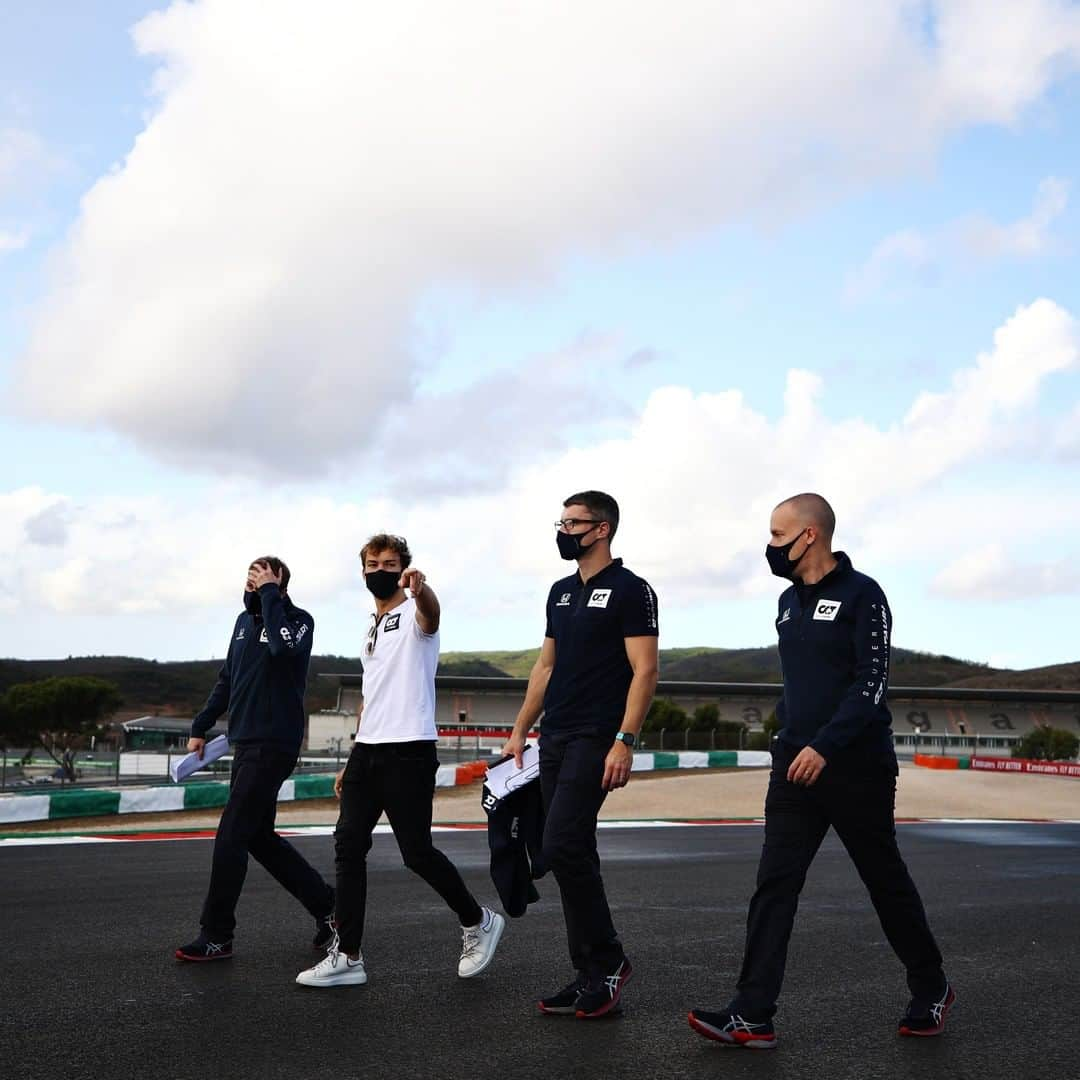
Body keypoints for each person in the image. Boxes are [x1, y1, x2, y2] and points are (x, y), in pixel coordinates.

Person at [688, 494, 953, 1048]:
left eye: (777, 535)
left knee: (885, 883)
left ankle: (931, 988)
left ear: (809, 535)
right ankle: (753, 1013)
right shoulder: (787, 603)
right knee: (774, 885)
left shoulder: (864, 595)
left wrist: (827, 746)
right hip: (794, 765)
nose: (770, 547)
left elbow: (871, 685)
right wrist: (791, 741)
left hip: (856, 767)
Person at [296, 534, 505, 987]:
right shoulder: (370, 627)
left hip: (409, 749)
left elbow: (432, 612)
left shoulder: (413, 612)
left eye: (390, 562)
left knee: (416, 853)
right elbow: (371, 698)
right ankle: (348, 955)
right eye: (372, 562)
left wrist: (420, 589)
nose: (380, 569)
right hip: (368, 751)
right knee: (348, 845)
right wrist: (352, 758)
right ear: (363, 570)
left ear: (404, 568)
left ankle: (478, 921)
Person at [502, 491, 659, 1019]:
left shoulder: (632, 590)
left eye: (573, 522)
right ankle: (589, 971)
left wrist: (626, 740)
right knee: (570, 850)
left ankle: (610, 960)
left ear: (602, 530)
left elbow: (645, 670)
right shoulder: (560, 592)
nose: (564, 530)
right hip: (556, 735)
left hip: (598, 736)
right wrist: (521, 728)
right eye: (561, 521)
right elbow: (545, 666)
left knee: (561, 843)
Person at [176, 557, 335, 961]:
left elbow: (282, 649)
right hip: (244, 743)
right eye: (249, 578)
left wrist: (269, 595)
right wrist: (201, 725)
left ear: (280, 584)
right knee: (258, 838)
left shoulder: (299, 621)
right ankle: (330, 908)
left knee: (231, 834)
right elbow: (228, 678)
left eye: (261, 579)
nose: (252, 585)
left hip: (274, 743)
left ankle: (217, 935)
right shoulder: (243, 624)